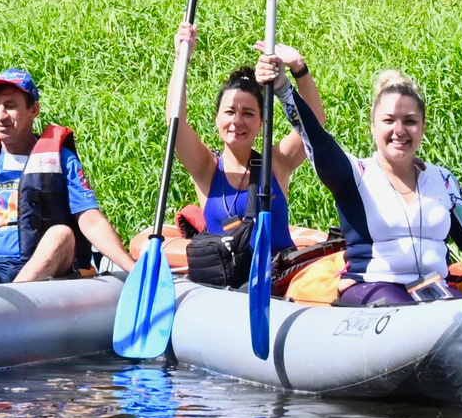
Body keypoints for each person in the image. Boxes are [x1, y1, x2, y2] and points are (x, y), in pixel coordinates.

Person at [265, 54, 462, 307]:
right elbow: (316, 138)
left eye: (410, 121)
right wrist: (283, 88)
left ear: (423, 127)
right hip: (370, 288)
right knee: (407, 308)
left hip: (434, 293)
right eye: (389, 121)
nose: (399, 131)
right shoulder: (355, 174)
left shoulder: (444, 182)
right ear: (373, 126)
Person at [126, 26, 327, 266]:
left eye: (249, 113)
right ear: (217, 118)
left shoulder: (276, 162)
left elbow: (315, 124)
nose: (237, 121)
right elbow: (175, 124)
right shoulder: (207, 168)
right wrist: (181, 59)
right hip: (228, 285)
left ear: (262, 123)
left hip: (278, 278)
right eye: (230, 112)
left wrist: (299, 68)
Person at [0, 68, 139, 284]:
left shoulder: (61, 158)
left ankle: (17, 298)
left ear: (34, 110)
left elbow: (90, 220)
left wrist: (131, 268)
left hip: (38, 263)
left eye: (11, 106)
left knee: (62, 234)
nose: (1, 116)